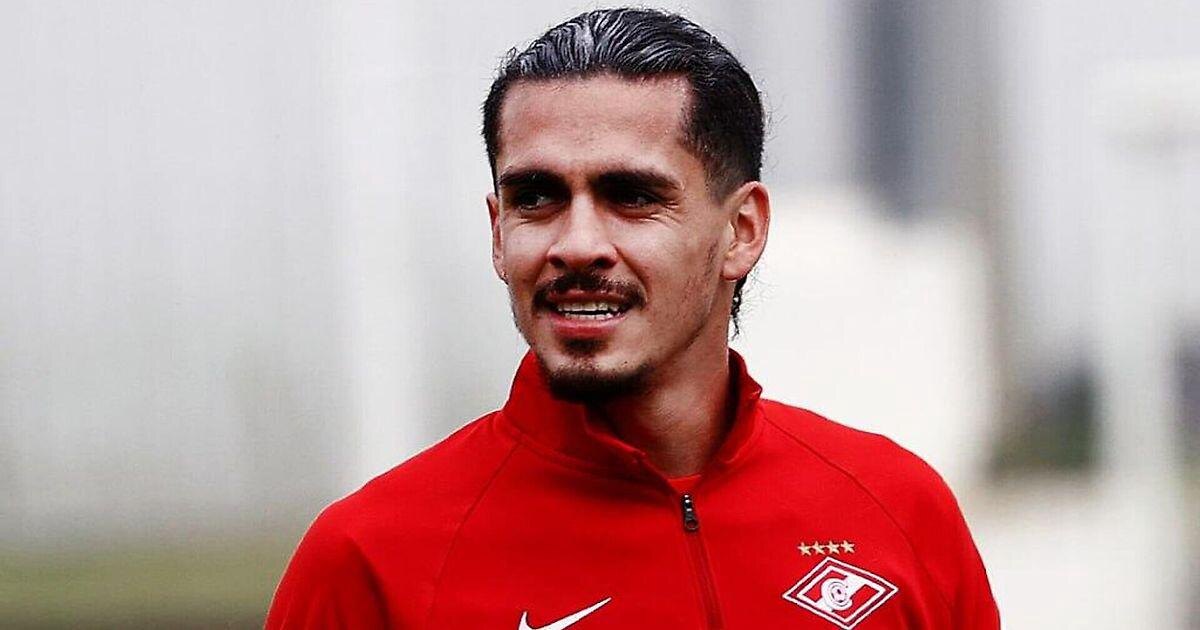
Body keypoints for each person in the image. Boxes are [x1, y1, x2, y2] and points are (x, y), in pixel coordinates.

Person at [266, 8, 1000, 629]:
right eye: (536, 198)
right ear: (497, 231)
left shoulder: (896, 510)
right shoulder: (370, 560)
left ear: (741, 231)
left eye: (633, 196)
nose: (576, 244)